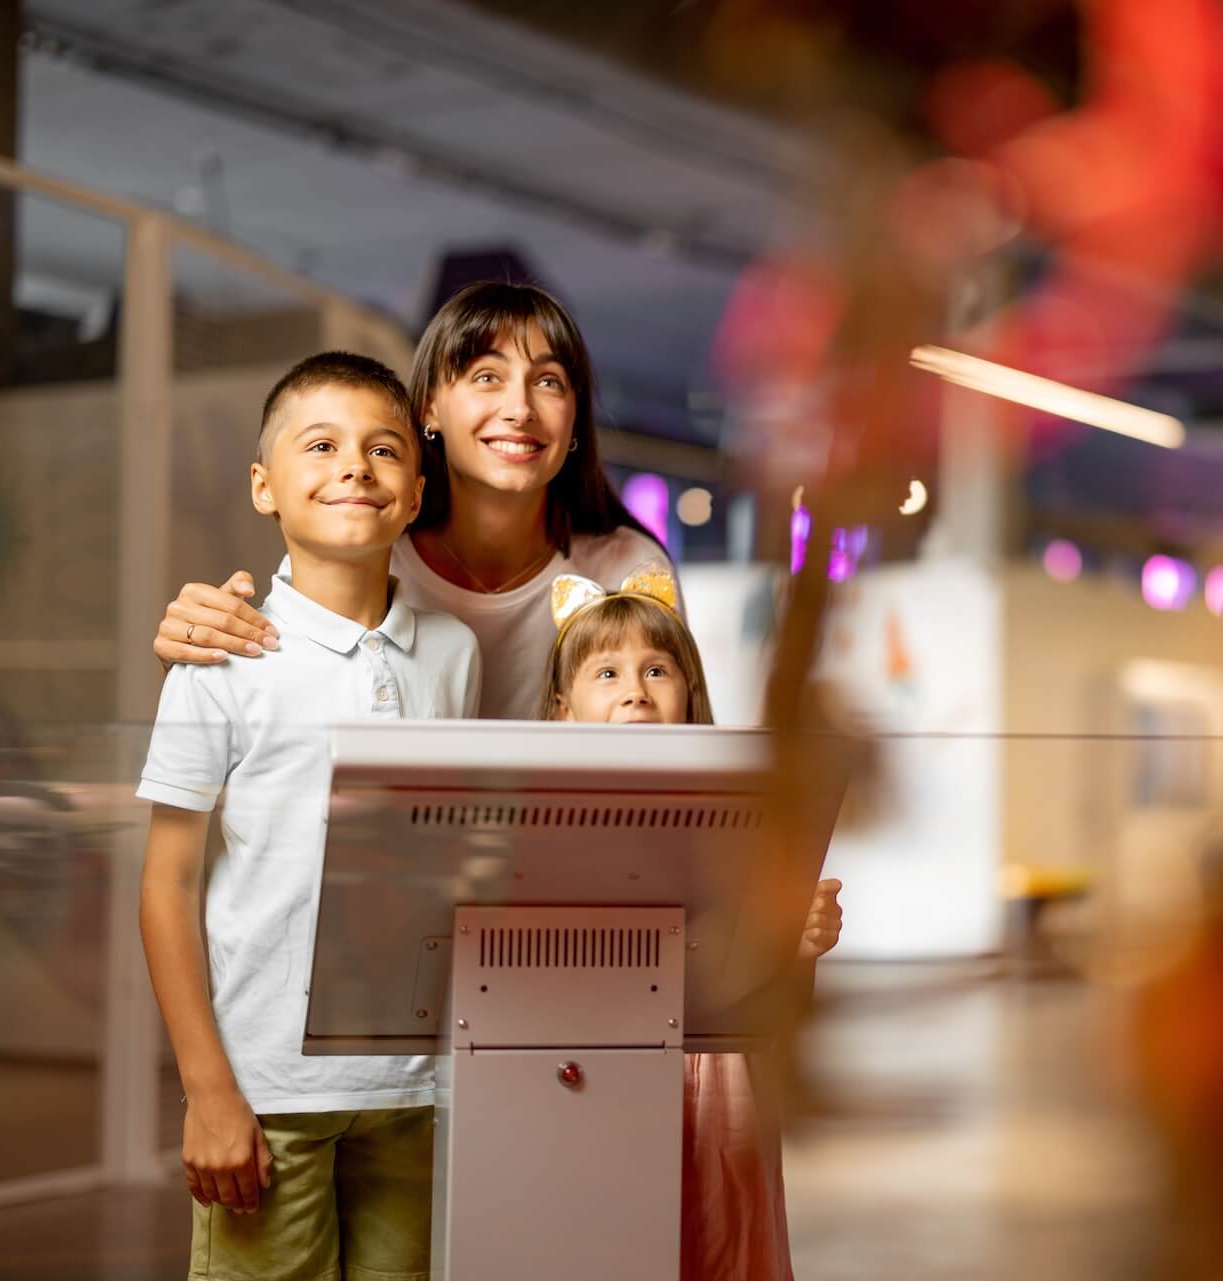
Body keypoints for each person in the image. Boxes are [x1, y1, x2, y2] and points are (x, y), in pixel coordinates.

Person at [138, 352, 481, 1280]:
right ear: (265, 486)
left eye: (385, 450)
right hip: (267, 1089)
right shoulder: (220, 655)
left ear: (415, 493)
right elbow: (166, 882)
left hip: (413, 1089)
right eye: (321, 444)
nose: (356, 468)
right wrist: (208, 1087)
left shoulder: (455, 653)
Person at [151, 280, 672, 720]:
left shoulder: (628, 568)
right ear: (428, 410)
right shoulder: (372, 551)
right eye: (487, 376)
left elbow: (673, 758)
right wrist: (202, 641)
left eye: (550, 382)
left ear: (576, 419)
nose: (519, 408)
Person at [542, 564, 843, 1281]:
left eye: (656, 669)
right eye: (606, 673)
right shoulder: (547, 823)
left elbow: (765, 977)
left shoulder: (736, 814)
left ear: (690, 695)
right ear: (562, 709)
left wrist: (798, 941)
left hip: (718, 1070)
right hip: (600, 1071)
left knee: (725, 1237)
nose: (635, 690)